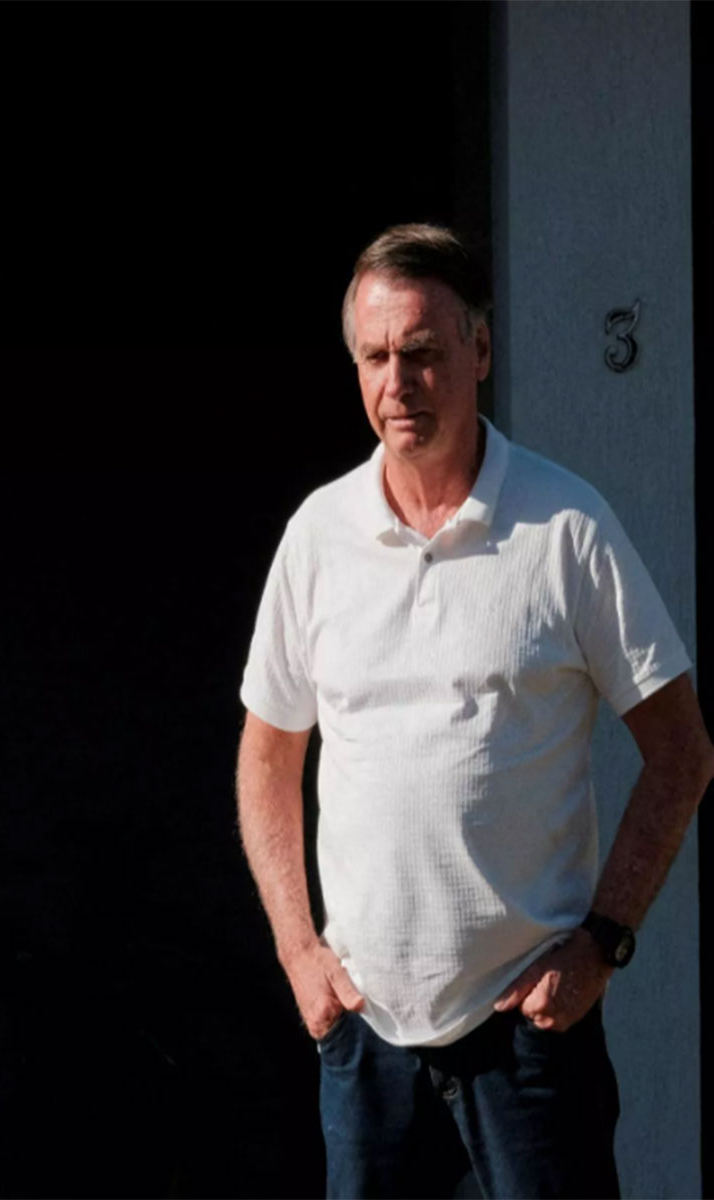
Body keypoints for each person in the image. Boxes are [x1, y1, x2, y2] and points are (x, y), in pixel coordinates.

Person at [236, 223, 714, 1199]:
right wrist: (298, 953)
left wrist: (603, 943)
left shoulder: (565, 528)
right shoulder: (319, 537)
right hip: (366, 1038)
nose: (398, 383)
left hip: (530, 1032)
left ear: (481, 350)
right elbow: (266, 755)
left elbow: (680, 753)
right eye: (375, 357)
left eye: (422, 353)